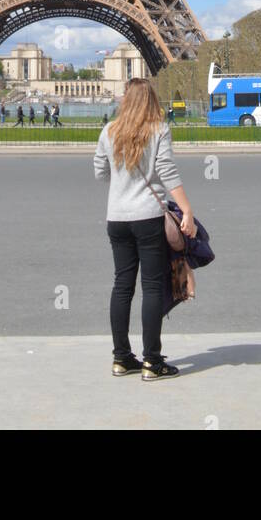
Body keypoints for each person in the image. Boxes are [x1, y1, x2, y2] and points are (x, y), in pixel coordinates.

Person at [94, 78, 195, 381]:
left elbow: (100, 172)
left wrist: (122, 180)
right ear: (151, 100)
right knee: (152, 287)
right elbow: (166, 172)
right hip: (149, 217)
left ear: (125, 100)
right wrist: (186, 210)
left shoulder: (108, 131)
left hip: (117, 218)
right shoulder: (159, 130)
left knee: (122, 287)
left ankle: (122, 358)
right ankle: (152, 360)